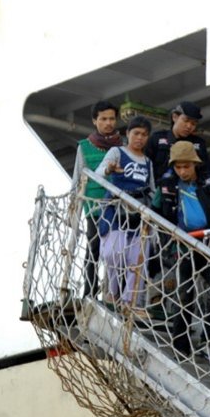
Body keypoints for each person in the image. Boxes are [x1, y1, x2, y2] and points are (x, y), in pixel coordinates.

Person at [151, 141, 210, 360]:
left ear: (195, 164)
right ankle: (181, 346)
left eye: (186, 166)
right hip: (183, 247)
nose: (182, 171)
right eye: (178, 167)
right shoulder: (166, 185)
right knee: (185, 296)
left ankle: (209, 341)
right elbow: (153, 211)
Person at [96, 116, 155, 306]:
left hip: (139, 212)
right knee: (113, 252)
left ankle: (130, 301)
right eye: (136, 133)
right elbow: (98, 173)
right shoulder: (117, 152)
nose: (140, 138)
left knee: (137, 259)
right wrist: (109, 169)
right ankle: (112, 292)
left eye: (144, 135)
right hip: (116, 209)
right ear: (127, 134)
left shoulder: (148, 162)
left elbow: (152, 189)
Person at [72, 100, 123, 298]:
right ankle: (89, 293)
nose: (108, 123)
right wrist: (74, 210)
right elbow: (77, 179)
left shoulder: (123, 145)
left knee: (118, 250)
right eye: (103, 119)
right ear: (95, 121)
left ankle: (114, 295)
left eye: (111, 118)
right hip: (93, 206)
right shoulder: (84, 146)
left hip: (119, 206)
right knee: (93, 248)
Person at [145, 101, 210, 181]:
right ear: (175, 117)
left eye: (193, 124)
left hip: (190, 191)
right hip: (161, 189)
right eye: (186, 120)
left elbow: (207, 172)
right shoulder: (156, 139)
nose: (189, 126)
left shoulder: (199, 144)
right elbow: (145, 168)